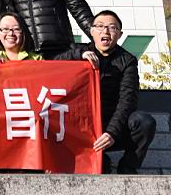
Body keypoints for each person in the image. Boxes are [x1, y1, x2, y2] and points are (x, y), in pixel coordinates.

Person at [56, 10, 156, 174]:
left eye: (112, 28)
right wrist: (79, 55)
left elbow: (127, 100)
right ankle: (102, 160)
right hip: (82, 128)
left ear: (120, 34)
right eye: (100, 26)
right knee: (101, 168)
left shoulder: (127, 61)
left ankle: (128, 167)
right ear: (91, 31)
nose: (106, 31)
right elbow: (51, 63)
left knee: (144, 122)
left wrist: (112, 132)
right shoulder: (78, 51)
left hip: (112, 127)